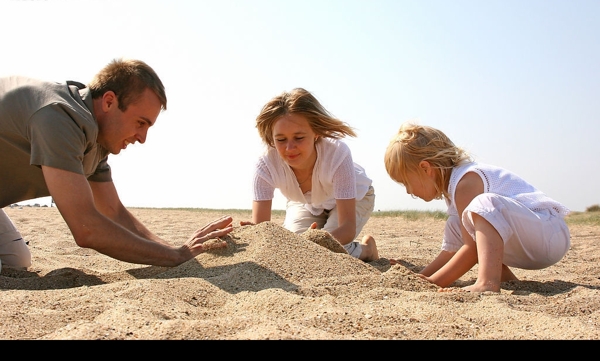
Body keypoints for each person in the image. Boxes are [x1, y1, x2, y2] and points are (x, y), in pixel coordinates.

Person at [0, 58, 233, 271]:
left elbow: (112, 211)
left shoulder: (96, 136)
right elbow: (86, 228)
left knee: (16, 259)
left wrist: (178, 251)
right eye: (140, 123)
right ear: (109, 101)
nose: (142, 138)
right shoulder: (59, 117)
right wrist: (175, 256)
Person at [383, 122, 571, 292]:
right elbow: (452, 251)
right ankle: (507, 280)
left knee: (483, 207)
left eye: (406, 182)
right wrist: (423, 278)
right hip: (534, 239)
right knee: (458, 224)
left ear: (426, 169)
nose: (408, 191)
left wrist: (434, 283)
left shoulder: (466, 183)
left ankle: (487, 283)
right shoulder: (454, 190)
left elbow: (471, 249)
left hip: (548, 234)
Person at [242, 88, 379, 262]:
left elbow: (347, 227)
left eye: (299, 138)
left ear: (316, 133)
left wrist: (310, 245)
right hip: (307, 203)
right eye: (281, 140)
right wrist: (254, 235)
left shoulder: (337, 153)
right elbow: (262, 230)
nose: (289, 149)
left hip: (356, 197)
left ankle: (367, 250)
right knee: (293, 250)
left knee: (325, 253)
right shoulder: (265, 166)